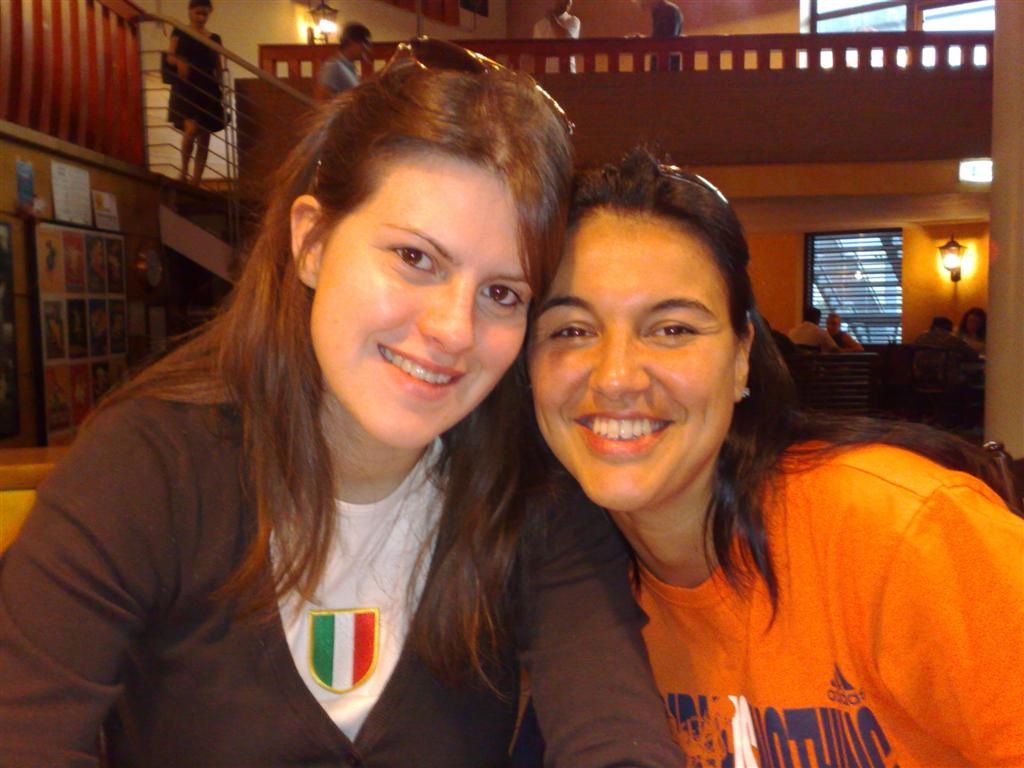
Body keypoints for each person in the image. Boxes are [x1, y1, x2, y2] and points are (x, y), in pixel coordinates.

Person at [0, 44, 684, 767]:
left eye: (502, 293)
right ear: (313, 241)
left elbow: (617, 732)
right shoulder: (148, 464)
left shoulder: (532, 491)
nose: (454, 329)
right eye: (415, 258)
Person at [528, 149, 1024, 767]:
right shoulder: (558, 590)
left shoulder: (903, 531)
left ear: (742, 357)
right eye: (572, 331)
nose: (616, 377)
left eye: (673, 329)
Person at [166, 0, 226, 184]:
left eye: (205, 14)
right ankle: (184, 170)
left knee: (205, 136)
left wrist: (221, 90)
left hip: (208, 86)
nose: (201, 18)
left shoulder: (214, 38)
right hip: (186, 86)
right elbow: (170, 56)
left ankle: (197, 180)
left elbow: (218, 66)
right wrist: (179, 62)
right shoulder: (180, 31)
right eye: (198, 13)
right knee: (191, 129)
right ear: (190, 11)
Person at [318, 22, 372, 97]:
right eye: (364, 44)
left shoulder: (349, 67)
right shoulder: (333, 67)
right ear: (351, 42)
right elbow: (322, 99)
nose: (367, 49)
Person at [532, 0, 581, 73]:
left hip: (568, 72)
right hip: (547, 73)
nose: (568, 2)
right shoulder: (539, 25)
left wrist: (551, 18)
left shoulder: (573, 20)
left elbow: (565, 40)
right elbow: (538, 53)